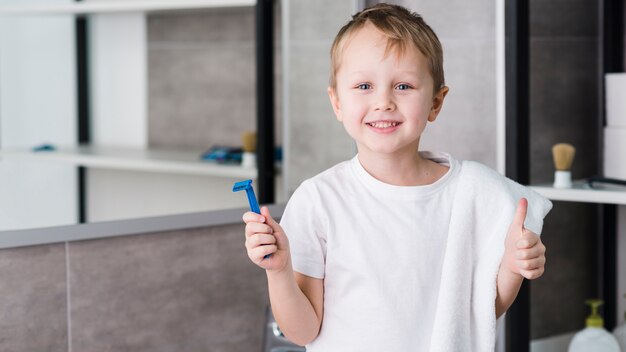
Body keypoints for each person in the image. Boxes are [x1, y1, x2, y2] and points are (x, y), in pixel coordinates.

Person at [242, 3, 552, 351]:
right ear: (337, 102)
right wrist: (280, 271)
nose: (383, 102)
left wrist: (511, 266)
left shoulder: (472, 194)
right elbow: (303, 332)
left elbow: (478, 313)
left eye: (403, 86)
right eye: (363, 86)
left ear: (436, 102)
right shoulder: (320, 200)